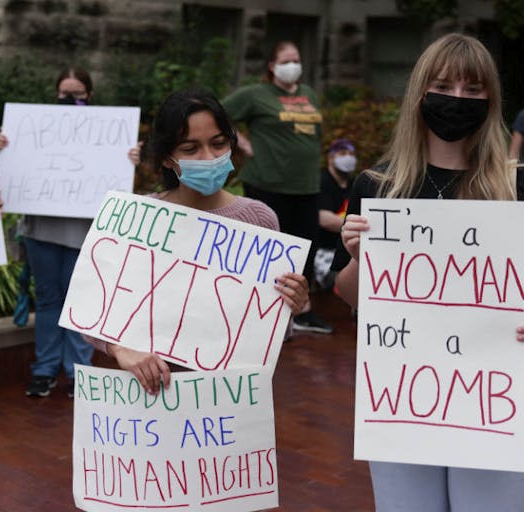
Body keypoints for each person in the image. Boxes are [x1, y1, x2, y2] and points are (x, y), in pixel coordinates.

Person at [334, 33, 524, 510]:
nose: (457, 100)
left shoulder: (514, 188)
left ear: (491, 101)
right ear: (420, 93)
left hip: (492, 399)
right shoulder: (378, 187)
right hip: (404, 399)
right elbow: (352, 297)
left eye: (473, 91)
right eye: (444, 86)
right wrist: (359, 257)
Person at [88, 89, 309, 394]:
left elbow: (269, 329)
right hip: (147, 399)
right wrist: (119, 349)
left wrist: (291, 305)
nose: (208, 157)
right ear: (167, 158)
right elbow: (89, 308)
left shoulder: (260, 221)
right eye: (190, 148)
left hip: (227, 401)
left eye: (218, 144)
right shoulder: (136, 218)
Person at [0, 67, 141, 399]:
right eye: (64, 93)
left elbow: (118, 176)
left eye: (77, 94)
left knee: (82, 302)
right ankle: (45, 369)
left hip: (87, 230)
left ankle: (78, 372)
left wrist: (130, 158)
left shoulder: (110, 133)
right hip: (42, 228)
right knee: (48, 298)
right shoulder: (32, 128)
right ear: (55, 94)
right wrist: (7, 148)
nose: (70, 99)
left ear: (89, 96)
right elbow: (11, 173)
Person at [222, 40, 332, 334]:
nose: (293, 64)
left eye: (296, 59)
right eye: (286, 60)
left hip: (306, 184)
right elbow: (217, 113)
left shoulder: (308, 94)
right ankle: (265, 317)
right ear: (272, 66)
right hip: (268, 183)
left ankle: (302, 311)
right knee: (270, 253)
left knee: (306, 249)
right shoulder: (257, 95)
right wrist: (241, 142)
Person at [314, 138, 356, 290]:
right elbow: (325, 219)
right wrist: (357, 227)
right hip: (323, 251)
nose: (348, 157)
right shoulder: (321, 181)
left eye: (351, 153)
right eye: (343, 153)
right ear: (331, 158)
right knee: (342, 284)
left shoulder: (355, 184)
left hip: (351, 249)